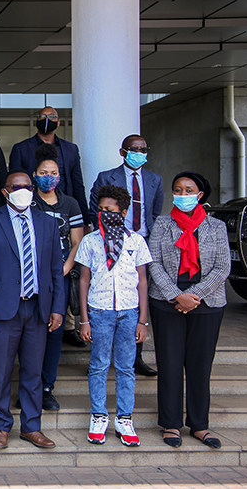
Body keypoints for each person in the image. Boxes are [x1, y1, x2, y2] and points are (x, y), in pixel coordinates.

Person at [0, 170, 64, 450]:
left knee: (33, 372)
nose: (23, 190)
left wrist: (58, 307)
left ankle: (31, 427)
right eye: (16, 186)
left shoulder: (48, 224)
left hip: (38, 307)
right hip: (3, 309)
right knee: (1, 371)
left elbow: (55, 271)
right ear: (5, 191)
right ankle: (0, 427)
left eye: (27, 186)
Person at [147, 171, 229, 449]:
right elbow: (154, 263)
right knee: (169, 365)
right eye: (178, 190)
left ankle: (199, 425)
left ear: (200, 194)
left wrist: (193, 295)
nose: (182, 195)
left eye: (188, 190)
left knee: (199, 366)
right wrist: (176, 295)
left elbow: (222, 267)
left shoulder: (216, 227)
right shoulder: (161, 223)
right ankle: (170, 424)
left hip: (206, 304)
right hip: (167, 303)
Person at [76, 185, 151, 447]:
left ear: (123, 211)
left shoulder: (136, 241)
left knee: (126, 366)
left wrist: (143, 320)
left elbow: (142, 281)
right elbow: (83, 281)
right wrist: (83, 319)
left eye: (110, 210)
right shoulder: (90, 240)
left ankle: (124, 419)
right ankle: (98, 416)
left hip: (129, 312)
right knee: (98, 364)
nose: (104, 214)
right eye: (100, 210)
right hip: (100, 311)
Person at [90, 134, 163, 377]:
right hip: (111, 243)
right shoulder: (106, 177)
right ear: (123, 152)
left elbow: (154, 212)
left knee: (137, 297)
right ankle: (105, 355)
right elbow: (95, 209)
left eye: (143, 149)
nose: (139, 153)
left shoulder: (155, 180)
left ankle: (136, 357)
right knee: (111, 298)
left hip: (141, 243)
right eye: (134, 149)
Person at [31, 143, 85, 411]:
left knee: (53, 331)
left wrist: (62, 269)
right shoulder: (28, 202)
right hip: (29, 277)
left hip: (59, 277)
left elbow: (77, 242)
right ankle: (29, 387)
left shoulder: (70, 204)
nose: (48, 177)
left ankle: (47, 388)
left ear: (60, 176)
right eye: (43, 172)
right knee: (31, 332)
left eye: (53, 172)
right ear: (34, 174)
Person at [9, 107, 89, 227]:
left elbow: (77, 184)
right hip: (31, 208)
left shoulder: (70, 149)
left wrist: (85, 221)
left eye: (52, 116)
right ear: (36, 122)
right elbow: (14, 184)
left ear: (58, 122)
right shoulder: (21, 148)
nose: (47, 119)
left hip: (64, 209)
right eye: (42, 116)